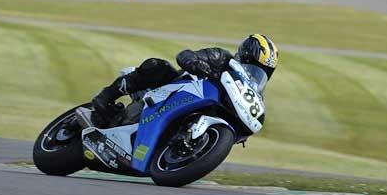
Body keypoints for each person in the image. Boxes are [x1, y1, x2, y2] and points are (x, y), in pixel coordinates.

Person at [91, 33, 279, 127]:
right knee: (157, 66)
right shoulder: (222, 58)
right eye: (254, 67)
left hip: (198, 109)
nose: (256, 74)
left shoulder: (249, 94)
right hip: (175, 88)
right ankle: (106, 96)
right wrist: (196, 62)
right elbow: (185, 55)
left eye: (262, 72)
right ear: (245, 56)